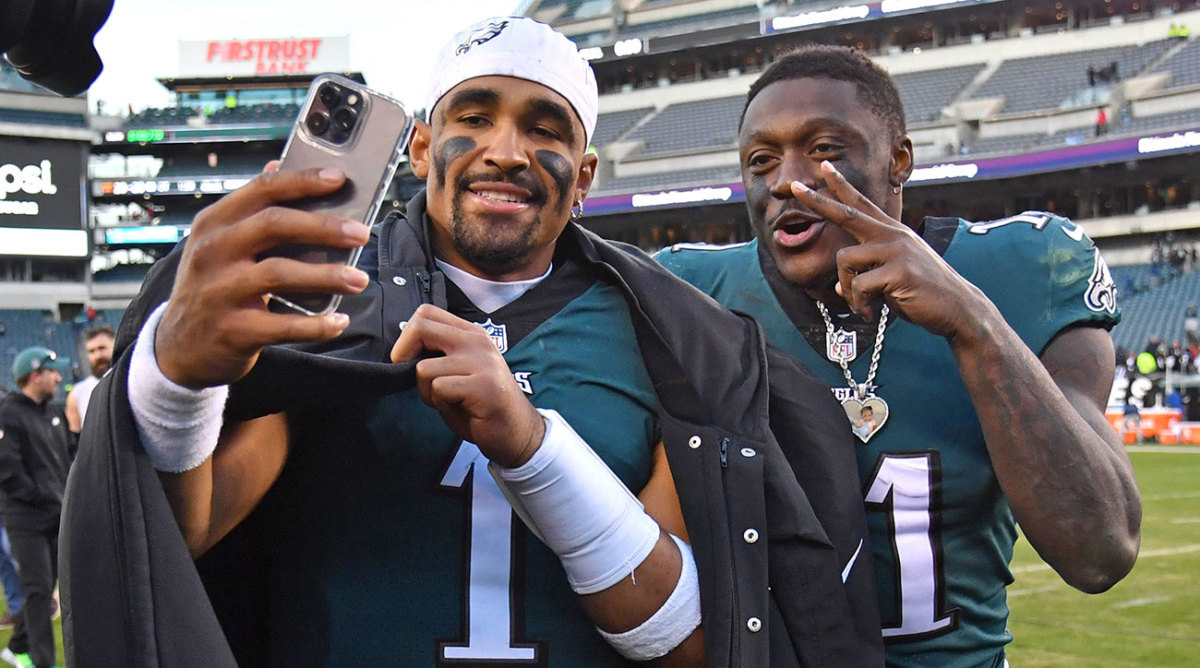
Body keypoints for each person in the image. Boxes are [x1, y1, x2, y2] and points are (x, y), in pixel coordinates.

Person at [61, 18, 881, 667]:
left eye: (545, 128)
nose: (506, 151)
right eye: (475, 116)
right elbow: (177, 541)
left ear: (585, 175)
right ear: (420, 148)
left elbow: (693, 639)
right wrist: (179, 382)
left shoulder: (666, 336)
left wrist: (533, 450)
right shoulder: (328, 306)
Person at [656, 45, 1141, 667]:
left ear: (898, 160)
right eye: (761, 160)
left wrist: (974, 326)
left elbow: (1100, 551)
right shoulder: (691, 294)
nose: (785, 180)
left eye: (826, 149)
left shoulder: (1021, 269)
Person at [0, 347, 75, 668]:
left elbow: (69, 457)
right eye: (52, 371)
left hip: (56, 514)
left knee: (47, 590)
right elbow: (7, 470)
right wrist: (43, 497)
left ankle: (15, 646)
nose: (58, 377)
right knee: (39, 590)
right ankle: (43, 661)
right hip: (26, 519)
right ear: (35, 374)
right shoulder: (9, 414)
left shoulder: (52, 412)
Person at [65, 324, 115, 434]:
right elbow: (76, 438)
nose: (97, 356)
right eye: (92, 351)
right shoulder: (78, 393)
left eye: (102, 348)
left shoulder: (132, 382)